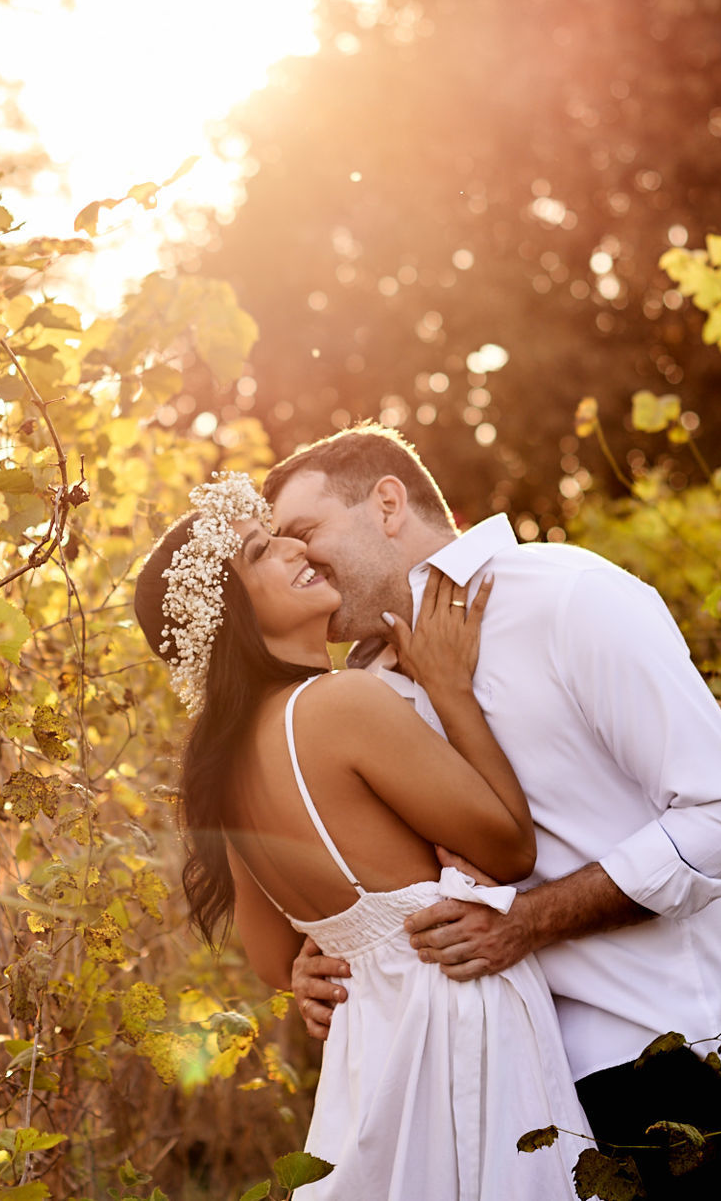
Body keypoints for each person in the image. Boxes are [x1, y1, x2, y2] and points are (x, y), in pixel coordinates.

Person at [262, 423, 721, 1199]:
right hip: (492, 1106)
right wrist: (326, 963)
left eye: (305, 533)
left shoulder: (567, 594)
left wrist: (529, 921)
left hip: (660, 1069)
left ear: (388, 503)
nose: (299, 559)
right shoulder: (360, 696)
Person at [133, 470, 591, 1198]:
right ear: (230, 617)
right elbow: (511, 849)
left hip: (370, 1046)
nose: (292, 549)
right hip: (454, 1015)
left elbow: (270, 958)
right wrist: (448, 688)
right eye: (262, 552)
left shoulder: (221, 773)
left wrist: (314, 968)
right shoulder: (341, 703)